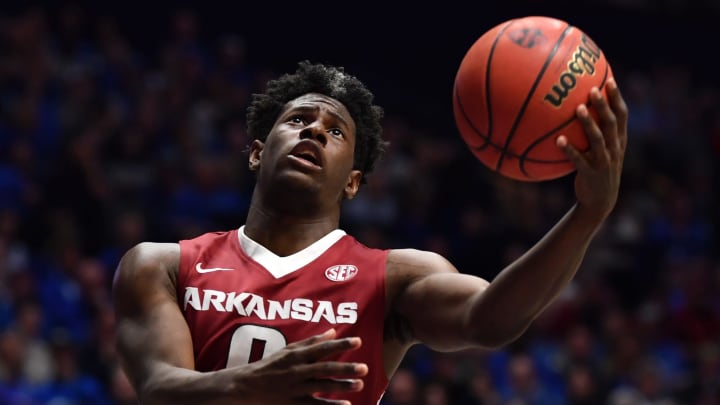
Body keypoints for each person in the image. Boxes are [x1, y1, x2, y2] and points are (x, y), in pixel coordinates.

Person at [112, 60, 628, 404]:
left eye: (335, 131)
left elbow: (488, 319)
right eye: (298, 120)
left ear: (353, 182)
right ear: (255, 151)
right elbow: (158, 388)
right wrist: (255, 384)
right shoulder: (164, 266)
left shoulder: (394, 278)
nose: (314, 130)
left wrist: (587, 213)